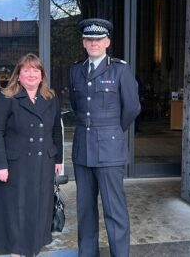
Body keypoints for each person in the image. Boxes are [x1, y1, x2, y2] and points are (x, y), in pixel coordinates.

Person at [68, 18, 141, 257]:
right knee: (85, 210)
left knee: (114, 210)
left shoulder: (120, 69)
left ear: (107, 41)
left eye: (98, 39)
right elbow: (75, 105)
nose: (94, 43)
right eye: (89, 39)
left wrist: (111, 132)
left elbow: (132, 107)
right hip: (83, 151)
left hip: (109, 152)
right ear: (83, 42)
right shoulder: (76, 70)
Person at [0, 53, 63, 257]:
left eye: (35, 70)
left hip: (43, 164)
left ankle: (32, 252)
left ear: (42, 75)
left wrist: (58, 160)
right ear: (18, 75)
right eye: (26, 70)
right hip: (15, 166)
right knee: (16, 212)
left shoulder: (50, 97)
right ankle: (16, 253)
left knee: (37, 211)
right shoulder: (7, 96)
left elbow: (56, 129)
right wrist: (0, 164)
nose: (31, 74)